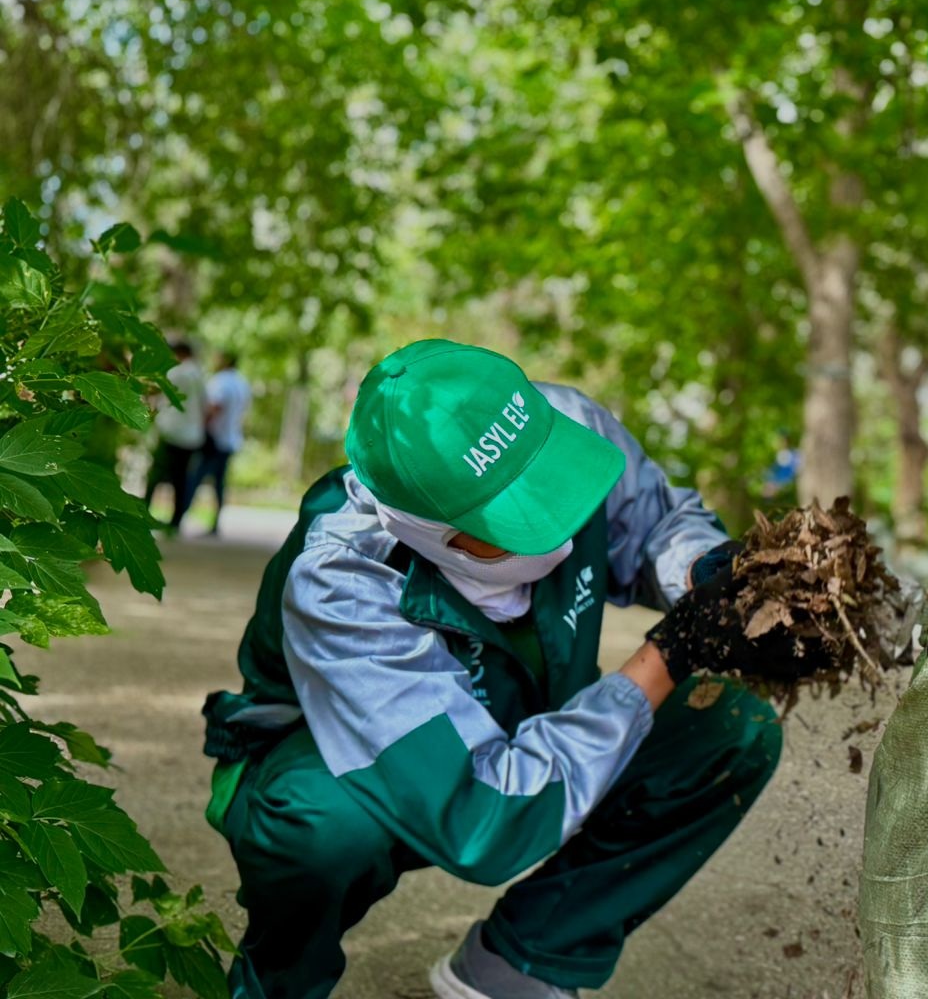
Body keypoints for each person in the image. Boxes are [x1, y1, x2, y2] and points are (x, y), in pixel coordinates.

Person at [202, 339, 791, 999]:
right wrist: (668, 654)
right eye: (519, 516)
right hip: (359, 757)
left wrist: (705, 573)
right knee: (321, 824)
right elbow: (484, 817)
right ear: (423, 527)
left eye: (556, 485)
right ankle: (278, 982)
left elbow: (656, 523)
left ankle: (519, 965)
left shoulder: (567, 421)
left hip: (520, 704)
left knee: (728, 727)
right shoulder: (341, 579)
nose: (561, 528)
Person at [144, 340, 208, 532]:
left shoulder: (177, 372)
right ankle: (176, 520)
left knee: (155, 476)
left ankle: (145, 513)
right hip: (192, 435)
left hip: (172, 432)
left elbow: (155, 390)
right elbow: (206, 405)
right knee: (181, 479)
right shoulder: (200, 374)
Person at [190, 352, 251, 536]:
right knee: (219, 483)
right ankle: (215, 521)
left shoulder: (221, 381)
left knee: (195, 477)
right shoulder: (242, 382)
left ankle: (179, 518)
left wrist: (202, 425)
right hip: (231, 439)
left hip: (215, 437)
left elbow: (215, 406)